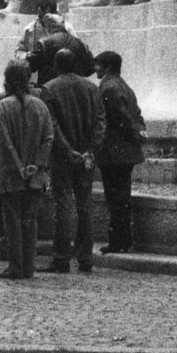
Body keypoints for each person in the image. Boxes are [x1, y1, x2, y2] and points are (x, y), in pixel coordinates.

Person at [38, 48, 105, 274]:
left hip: (62, 156)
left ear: (56, 65)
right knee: (85, 205)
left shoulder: (49, 88)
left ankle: (61, 258)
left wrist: (68, 151)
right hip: (86, 156)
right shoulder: (92, 88)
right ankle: (86, 258)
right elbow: (100, 122)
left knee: (63, 204)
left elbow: (52, 125)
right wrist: (89, 150)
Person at [0, 60, 53, 279]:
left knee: (12, 221)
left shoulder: (3, 106)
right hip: (35, 173)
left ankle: (15, 265)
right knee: (30, 220)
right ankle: (29, 265)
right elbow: (48, 137)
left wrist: (18, 166)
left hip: (10, 173)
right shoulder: (40, 106)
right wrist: (36, 163)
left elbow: (5, 141)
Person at [95, 51, 146, 254]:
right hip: (126, 151)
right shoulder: (123, 85)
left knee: (115, 197)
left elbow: (121, 117)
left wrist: (135, 133)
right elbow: (136, 114)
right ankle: (123, 239)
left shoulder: (108, 87)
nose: (95, 69)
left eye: (98, 65)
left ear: (107, 67)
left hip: (114, 151)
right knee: (122, 196)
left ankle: (118, 240)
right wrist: (140, 133)